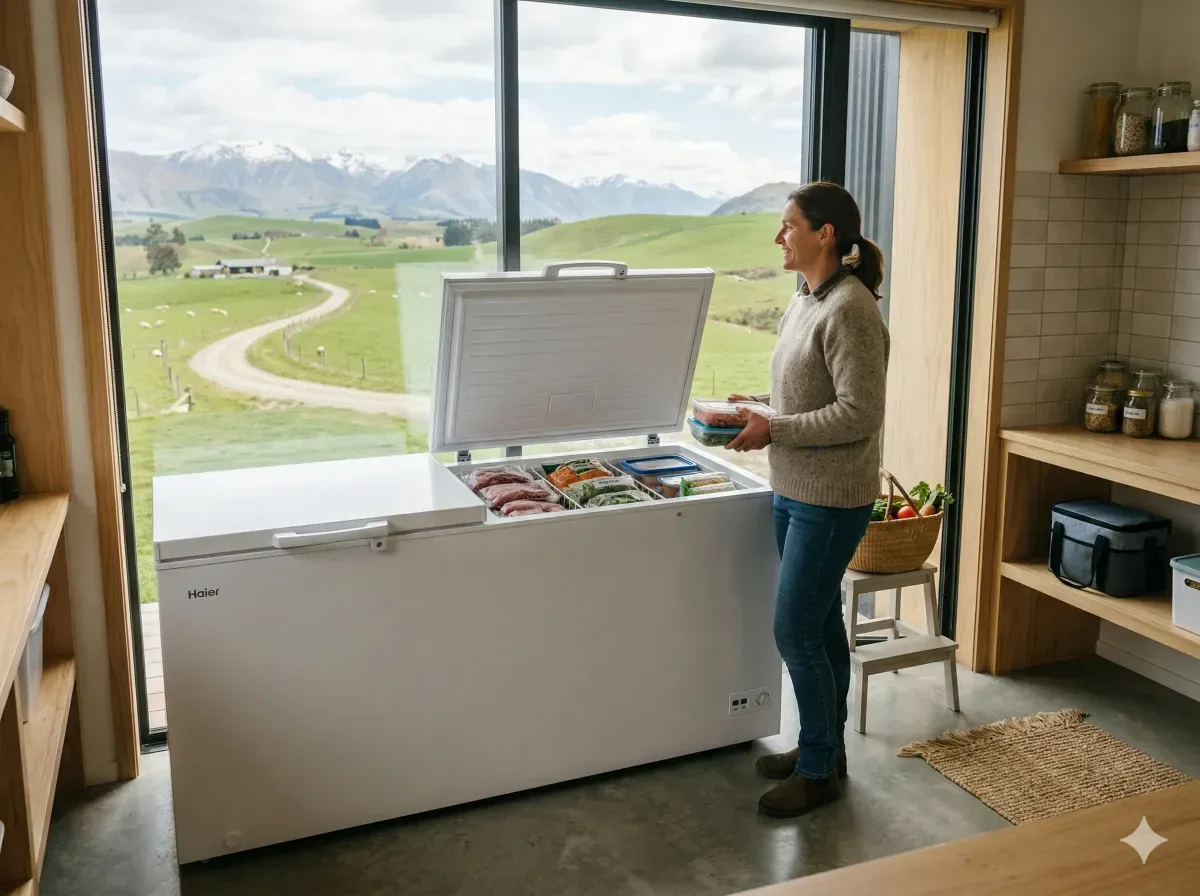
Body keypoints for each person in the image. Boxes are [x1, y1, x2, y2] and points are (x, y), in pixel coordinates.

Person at [725, 182, 890, 818]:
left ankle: (818, 767)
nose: (778, 236)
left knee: (793, 628)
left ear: (825, 234)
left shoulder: (851, 309)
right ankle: (825, 751)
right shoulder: (805, 298)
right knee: (819, 628)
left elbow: (860, 413)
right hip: (793, 487)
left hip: (831, 497)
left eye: (789, 225)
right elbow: (807, 395)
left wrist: (778, 427)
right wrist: (763, 411)